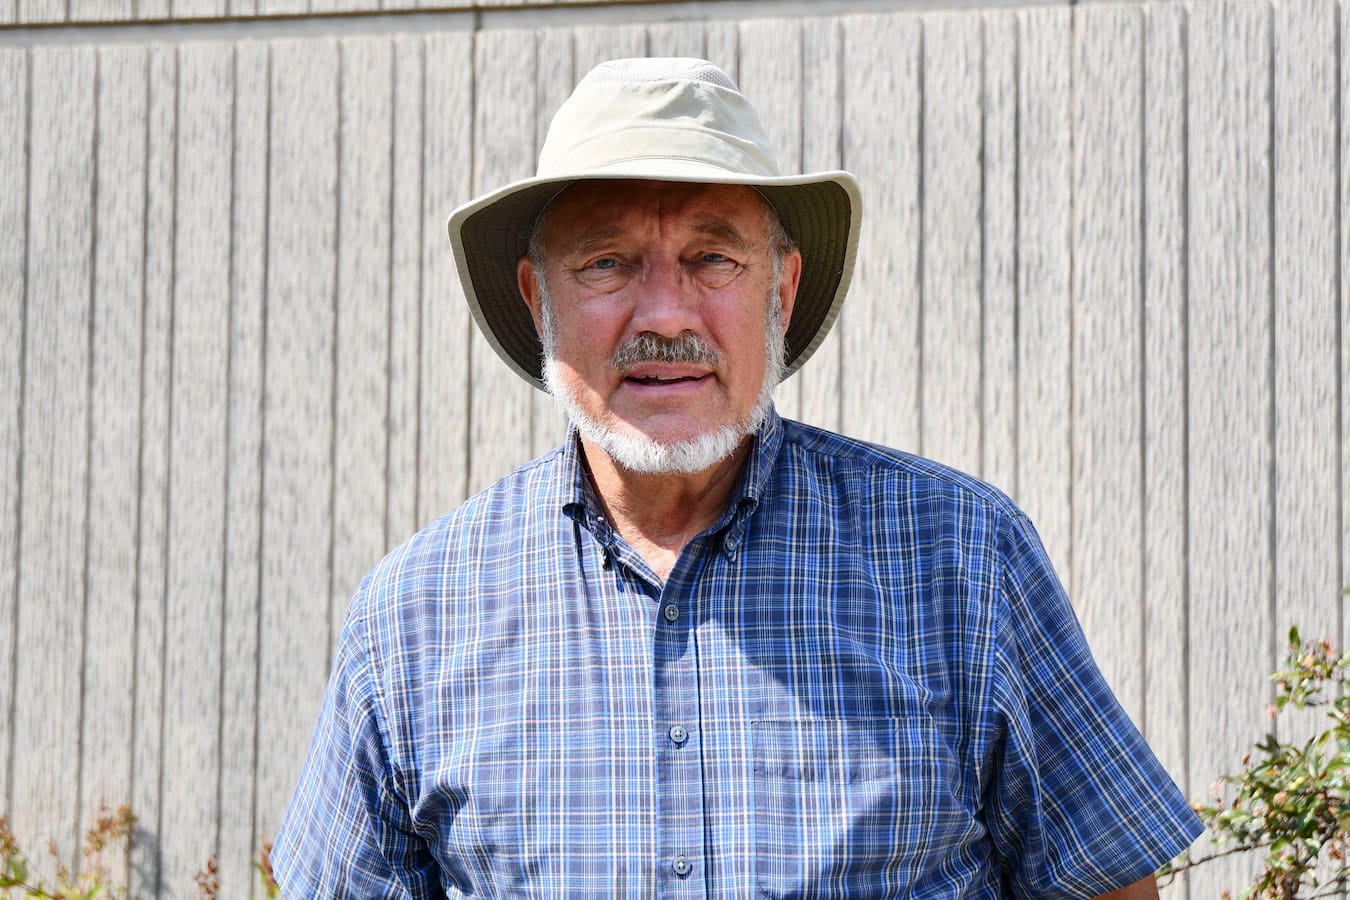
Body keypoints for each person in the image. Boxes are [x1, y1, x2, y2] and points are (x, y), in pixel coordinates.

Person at [273, 57, 1201, 898]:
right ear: (537, 299)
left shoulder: (960, 557)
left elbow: (1104, 887)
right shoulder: (413, 617)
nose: (666, 312)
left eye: (712, 257)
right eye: (607, 262)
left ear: (782, 292)